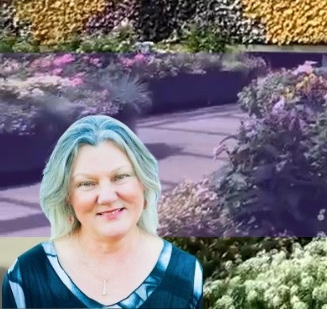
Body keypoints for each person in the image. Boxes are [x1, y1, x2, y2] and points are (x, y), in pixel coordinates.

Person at [2, 115, 203, 308]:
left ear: (143, 183)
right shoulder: (26, 278)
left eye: (120, 177)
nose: (107, 197)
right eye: (87, 183)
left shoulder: (186, 273)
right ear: (67, 197)